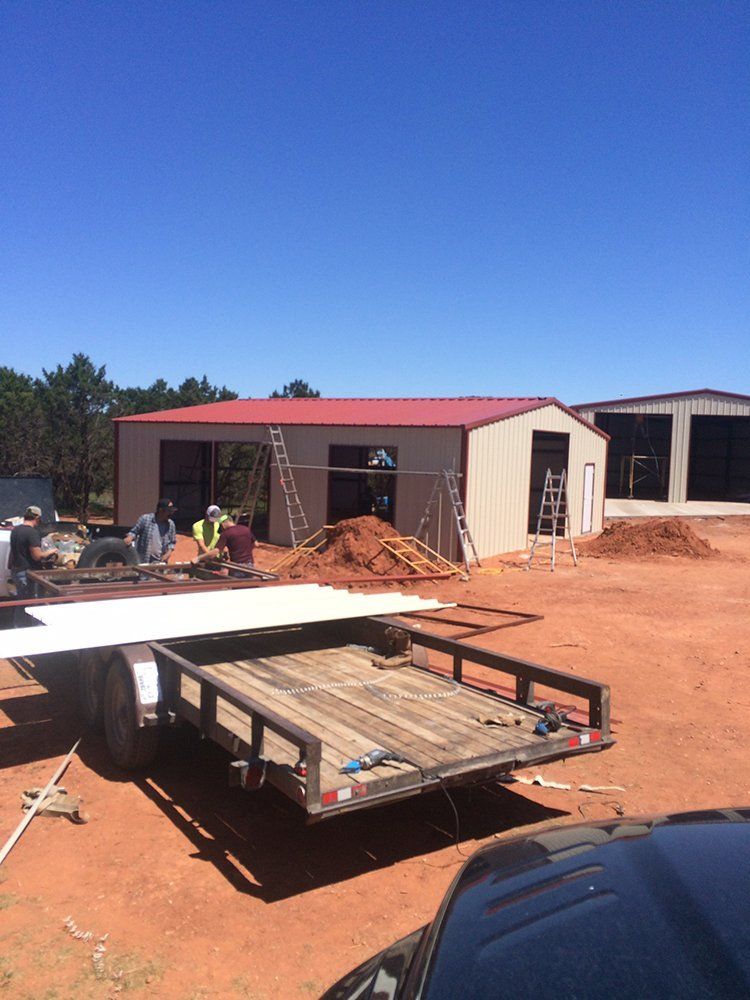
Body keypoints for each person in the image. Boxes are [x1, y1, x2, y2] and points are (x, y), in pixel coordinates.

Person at [9, 505, 56, 625]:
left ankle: (18, 627)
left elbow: (13, 553)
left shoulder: (15, 530)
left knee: (21, 602)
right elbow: (37, 556)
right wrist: (51, 552)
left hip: (16, 571)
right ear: (38, 518)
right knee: (35, 603)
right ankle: (36, 629)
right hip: (27, 573)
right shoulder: (32, 533)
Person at [124, 499, 177, 564]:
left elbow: (172, 542)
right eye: (168, 511)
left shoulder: (170, 524)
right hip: (143, 560)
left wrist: (167, 554)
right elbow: (134, 532)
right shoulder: (145, 519)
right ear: (160, 510)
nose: (170, 514)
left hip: (160, 561)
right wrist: (130, 538)